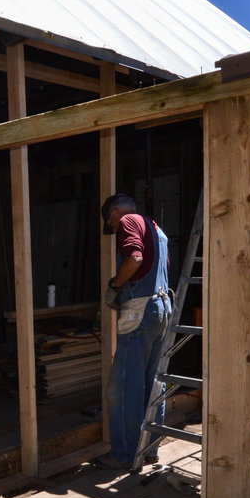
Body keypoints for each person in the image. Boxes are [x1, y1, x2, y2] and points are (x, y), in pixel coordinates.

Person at [100, 193, 170, 467]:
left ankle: (125, 455)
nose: (116, 229)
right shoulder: (156, 228)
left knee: (123, 386)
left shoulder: (129, 220)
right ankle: (149, 450)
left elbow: (135, 259)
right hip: (162, 307)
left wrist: (115, 285)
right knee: (153, 383)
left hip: (140, 311)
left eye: (112, 224)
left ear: (115, 212)